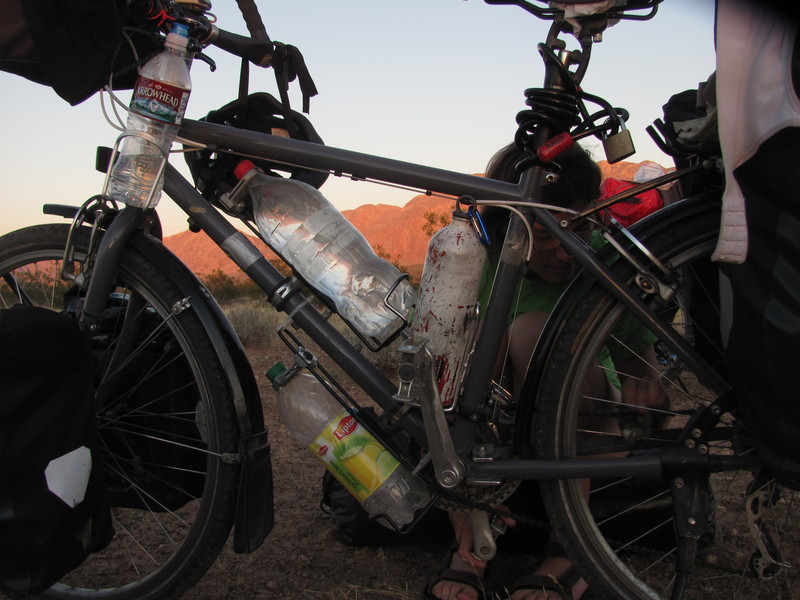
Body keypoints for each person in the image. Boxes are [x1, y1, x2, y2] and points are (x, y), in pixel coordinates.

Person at [426, 143, 668, 600]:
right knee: (477, 338)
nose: (564, 252)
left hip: (588, 432)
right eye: (545, 235)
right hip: (503, 433)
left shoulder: (604, 261)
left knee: (532, 331)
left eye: (579, 229)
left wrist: (648, 396)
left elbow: (643, 373)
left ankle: (569, 552)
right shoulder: (474, 259)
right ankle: (471, 533)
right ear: (509, 226)